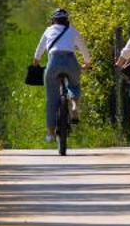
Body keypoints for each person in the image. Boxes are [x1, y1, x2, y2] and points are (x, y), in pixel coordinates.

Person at [32, 8, 92, 144]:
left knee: (52, 100)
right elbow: (83, 49)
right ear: (67, 20)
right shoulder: (72, 31)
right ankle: (75, 106)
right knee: (74, 84)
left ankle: (51, 133)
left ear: (53, 20)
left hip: (53, 63)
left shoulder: (48, 30)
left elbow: (39, 50)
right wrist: (87, 63)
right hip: (71, 62)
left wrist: (36, 62)